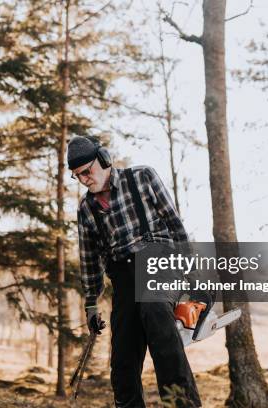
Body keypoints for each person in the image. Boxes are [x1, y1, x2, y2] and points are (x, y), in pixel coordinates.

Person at [68, 135, 202, 408]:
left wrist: (191, 276)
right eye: (77, 176)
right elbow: (89, 259)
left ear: (103, 160)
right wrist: (91, 304)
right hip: (123, 274)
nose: (83, 179)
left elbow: (175, 225)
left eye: (86, 171)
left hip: (159, 259)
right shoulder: (86, 209)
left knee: (155, 313)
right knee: (122, 360)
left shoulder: (142, 177)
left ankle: (181, 404)